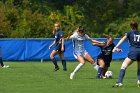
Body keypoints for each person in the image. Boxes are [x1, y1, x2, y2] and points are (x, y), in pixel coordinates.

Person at [112, 21, 140, 87]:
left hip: (133, 51)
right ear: (137, 26)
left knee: (123, 66)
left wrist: (116, 46)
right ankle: (139, 80)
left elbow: (122, 39)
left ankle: (119, 82)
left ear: (131, 26)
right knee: (139, 67)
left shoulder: (129, 33)